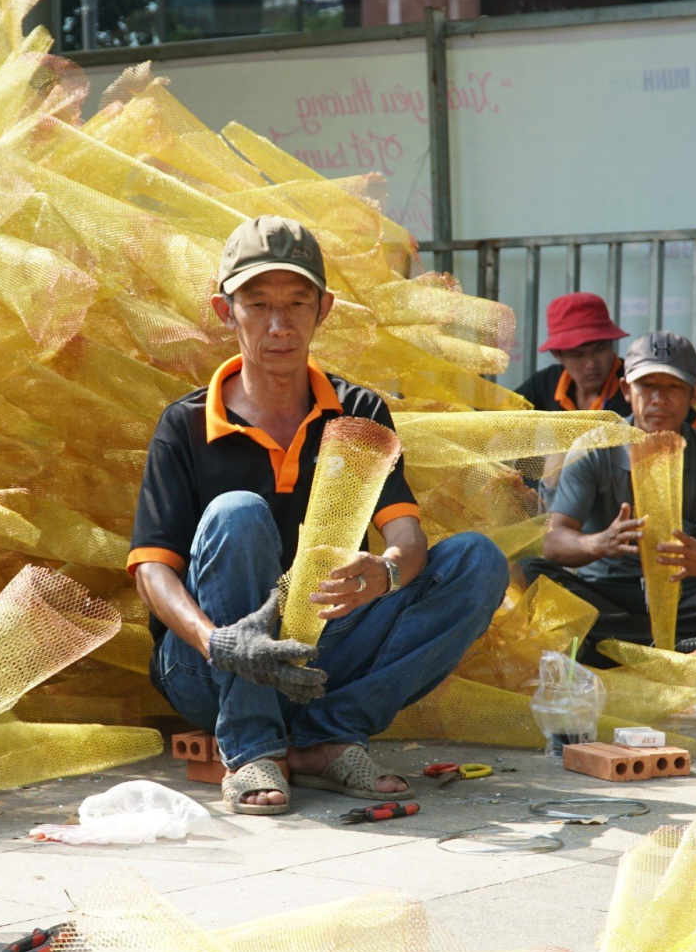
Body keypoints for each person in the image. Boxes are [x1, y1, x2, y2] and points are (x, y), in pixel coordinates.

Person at [129, 216, 508, 815]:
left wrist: (383, 572)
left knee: (477, 562)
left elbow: (407, 536)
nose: (279, 325)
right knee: (236, 513)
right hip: (207, 669)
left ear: (323, 309)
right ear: (225, 311)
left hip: (320, 658)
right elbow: (153, 572)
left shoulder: (357, 411)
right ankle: (252, 745)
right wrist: (223, 643)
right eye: (257, 305)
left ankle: (326, 737)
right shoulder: (185, 425)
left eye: (297, 303)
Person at [521, 330, 696, 664]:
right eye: (647, 386)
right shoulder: (593, 448)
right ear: (626, 390)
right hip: (606, 596)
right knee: (530, 574)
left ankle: (618, 649)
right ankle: (680, 649)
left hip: (686, 596)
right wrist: (599, 544)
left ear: (695, 394)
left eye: (673, 387)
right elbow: (554, 542)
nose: (659, 398)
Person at [514, 292, 696, 439]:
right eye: (578, 355)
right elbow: (497, 423)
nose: (591, 364)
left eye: (600, 349)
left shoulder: (641, 386)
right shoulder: (545, 384)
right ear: (557, 354)